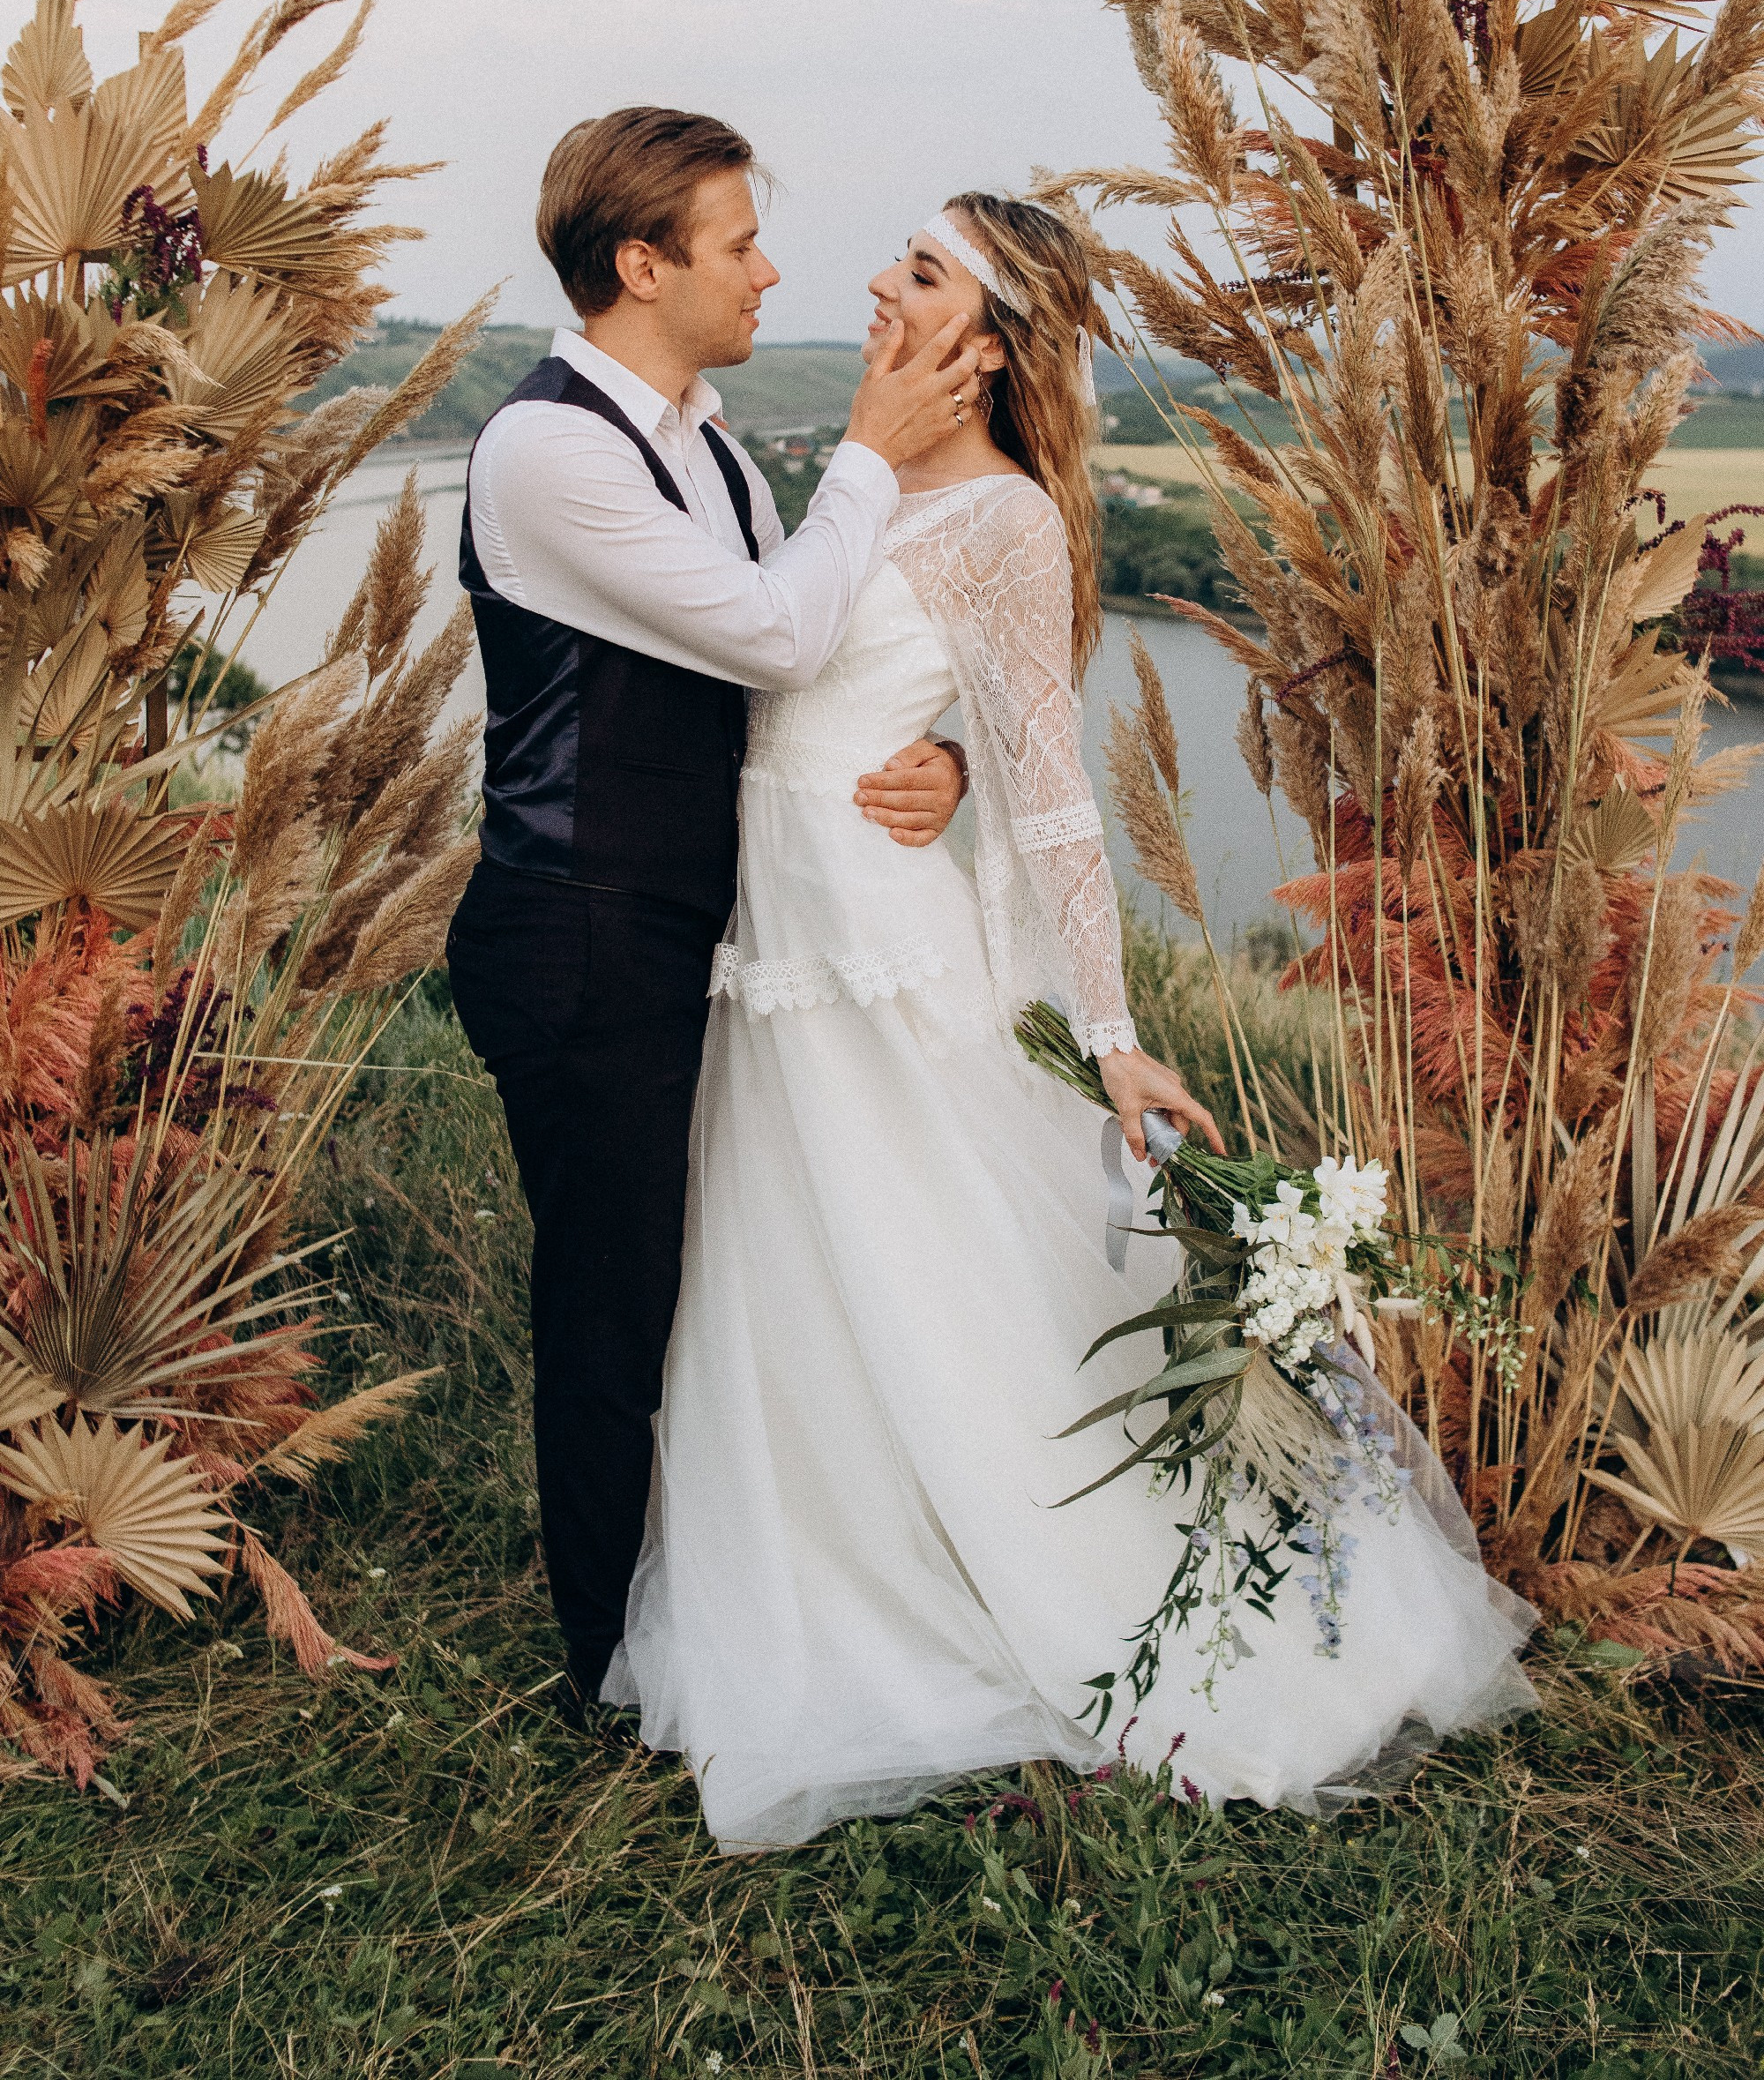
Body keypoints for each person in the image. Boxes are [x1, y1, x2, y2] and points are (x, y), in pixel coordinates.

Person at [609, 193, 1537, 1850]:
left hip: (879, 945)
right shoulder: (854, 464)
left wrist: (1106, 1031)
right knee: (803, 1265)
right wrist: (923, 740)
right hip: (781, 925)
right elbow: (778, 654)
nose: (872, 284)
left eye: (918, 274)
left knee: (927, 1252)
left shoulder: (1011, 525)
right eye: (890, 258)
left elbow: (1050, 804)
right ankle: (833, 1559)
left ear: (985, 351)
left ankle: (1054, 1575)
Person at [446, 108, 979, 1725]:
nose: (770, 270)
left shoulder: (718, 444)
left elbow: (811, 683)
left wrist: (946, 752)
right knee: (613, 1297)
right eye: (738, 243)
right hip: (577, 926)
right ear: (641, 264)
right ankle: (606, 1671)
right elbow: (771, 638)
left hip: (698, 930)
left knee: (704, 1277)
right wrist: (878, 445)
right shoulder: (547, 450)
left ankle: (722, 1586)